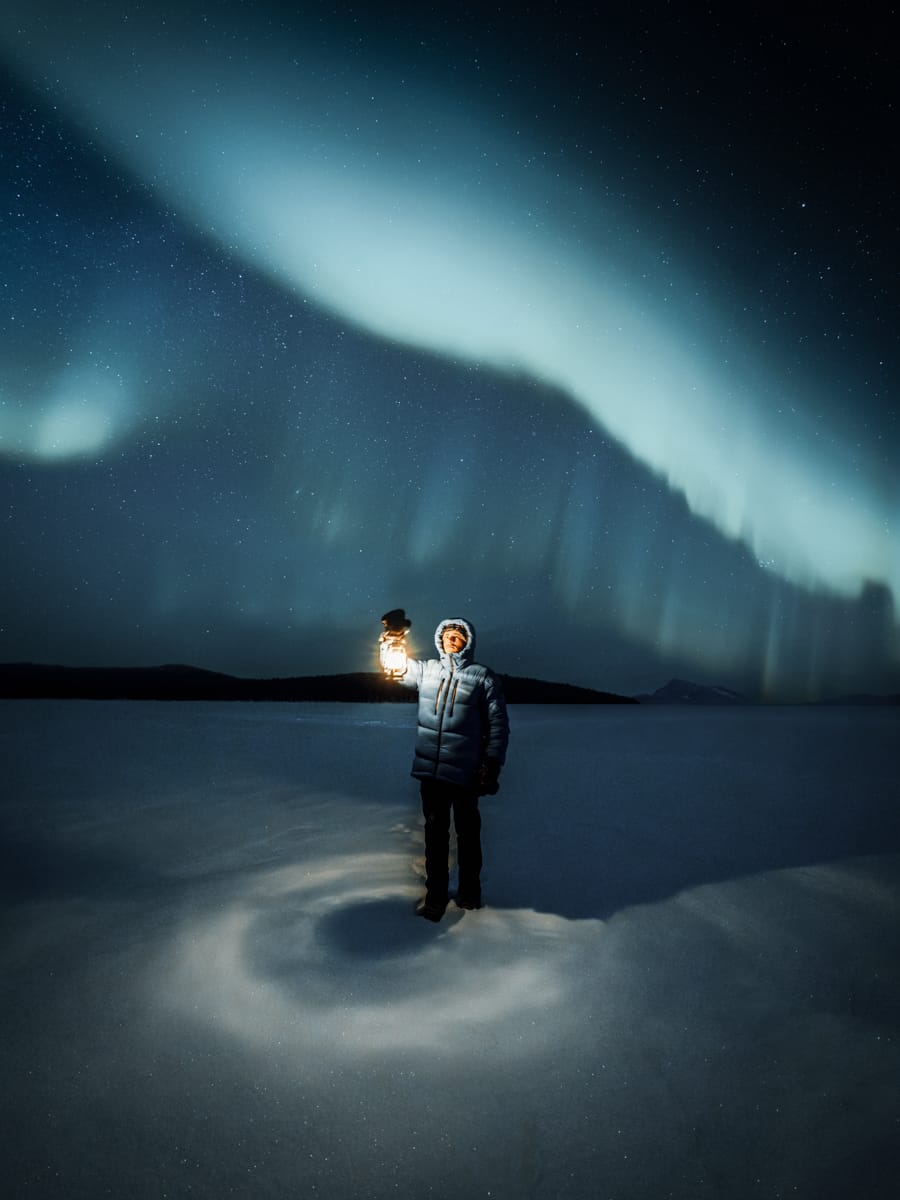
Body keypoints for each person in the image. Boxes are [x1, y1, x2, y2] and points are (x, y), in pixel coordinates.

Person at [396, 616, 509, 921]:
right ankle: (436, 897)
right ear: (439, 639)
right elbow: (396, 669)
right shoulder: (427, 670)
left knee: (468, 834)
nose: (452, 639)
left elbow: (498, 724)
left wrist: (491, 763)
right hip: (431, 771)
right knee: (435, 837)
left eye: (458, 636)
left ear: (468, 642)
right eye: (447, 635)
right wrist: (391, 641)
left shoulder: (482, 677)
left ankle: (470, 894)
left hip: (466, 772)